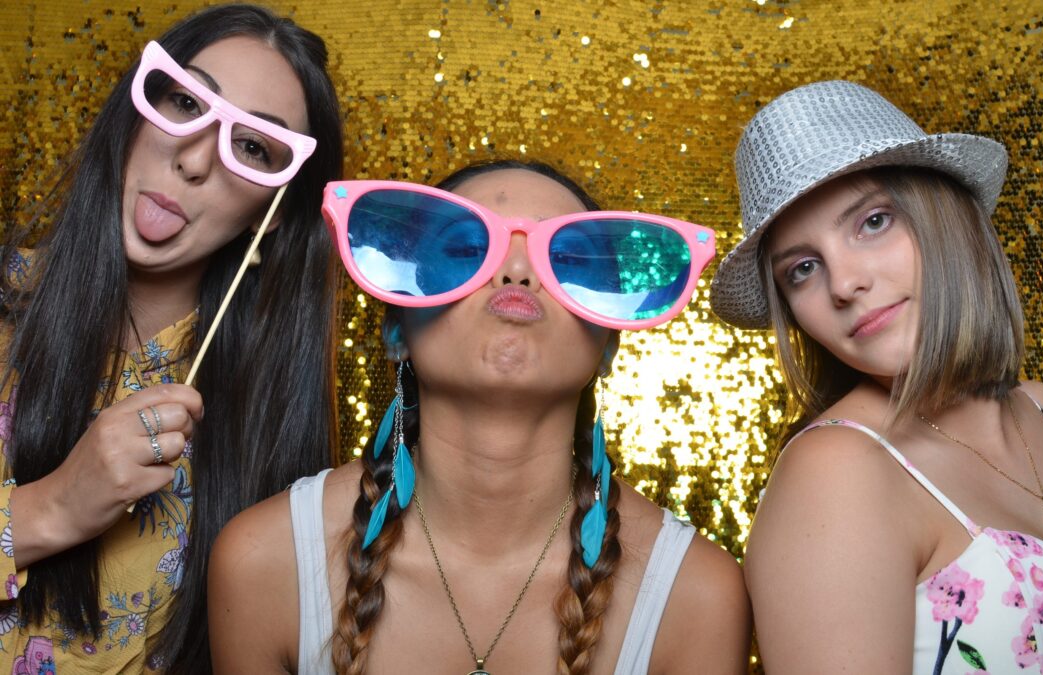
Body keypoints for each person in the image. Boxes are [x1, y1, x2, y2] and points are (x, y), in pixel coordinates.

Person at [209, 160, 751, 674]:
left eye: (567, 260)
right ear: (396, 329)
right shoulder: (264, 564)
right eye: (468, 249)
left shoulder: (695, 596)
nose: (516, 270)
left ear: (608, 344)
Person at [0, 5, 343, 672]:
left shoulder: (265, 416)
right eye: (184, 100)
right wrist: (54, 508)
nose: (192, 159)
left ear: (271, 217)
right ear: (136, 107)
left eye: (251, 147)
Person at [710, 80, 1043, 673]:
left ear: (946, 215)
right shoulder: (836, 471)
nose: (843, 283)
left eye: (873, 222)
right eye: (803, 268)